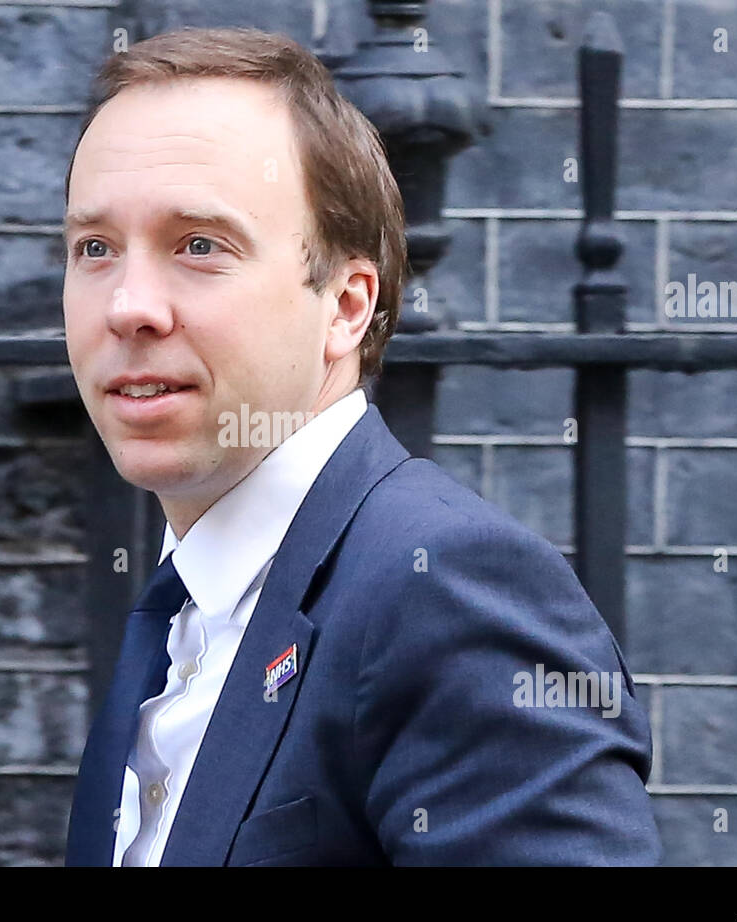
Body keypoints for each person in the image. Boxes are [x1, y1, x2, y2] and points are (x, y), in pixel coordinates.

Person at [62, 25, 661, 866]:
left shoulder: (446, 587)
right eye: (94, 248)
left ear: (346, 306)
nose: (129, 305)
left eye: (200, 245)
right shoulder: (183, 606)